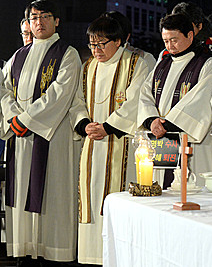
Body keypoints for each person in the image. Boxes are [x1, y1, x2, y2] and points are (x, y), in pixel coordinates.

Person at [1, 0, 81, 262]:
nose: (39, 22)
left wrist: (25, 120)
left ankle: (53, 253)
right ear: (28, 23)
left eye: (45, 16)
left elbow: (59, 94)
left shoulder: (67, 54)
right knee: (21, 192)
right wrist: (14, 118)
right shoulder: (17, 56)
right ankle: (24, 251)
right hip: (20, 140)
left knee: (51, 195)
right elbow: (3, 90)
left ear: (56, 20)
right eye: (34, 18)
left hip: (51, 137)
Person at [69, 17, 149, 264]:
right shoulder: (88, 67)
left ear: (119, 41)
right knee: (92, 203)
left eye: (102, 44)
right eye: (92, 44)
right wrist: (85, 125)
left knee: (120, 200)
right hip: (93, 145)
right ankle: (91, 257)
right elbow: (76, 101)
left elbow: (137, 100)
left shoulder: (138, 62)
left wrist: (108, 127)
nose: (96, 50)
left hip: (123, 142)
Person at [138, 13, 212, 188]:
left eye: (174, 40)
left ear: (190, 35)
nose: (170, 46)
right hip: (162, 141)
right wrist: (152, 120)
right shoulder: (162, 65)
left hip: (190, 140)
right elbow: (145, 95)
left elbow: (200, 100)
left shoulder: (208, 65)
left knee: (191, 191)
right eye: (166, 41)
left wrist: (166, 125)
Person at [172, 2, 212, 70]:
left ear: (199, 26)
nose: (183, 31)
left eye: (187, 26)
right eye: (178, 27)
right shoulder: (165, 54)